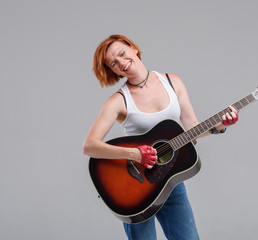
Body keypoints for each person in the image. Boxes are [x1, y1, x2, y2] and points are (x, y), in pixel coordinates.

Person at [83, 34, 239, 240]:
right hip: (133, 188)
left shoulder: (172, 82)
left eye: (122, 53)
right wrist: (135, 153)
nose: (122, 62)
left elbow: (192, 127)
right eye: (114, 63)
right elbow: (89, 146)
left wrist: (219, 126)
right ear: (113, 70)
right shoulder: (118, 101)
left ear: (133, 49)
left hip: (170, 180)